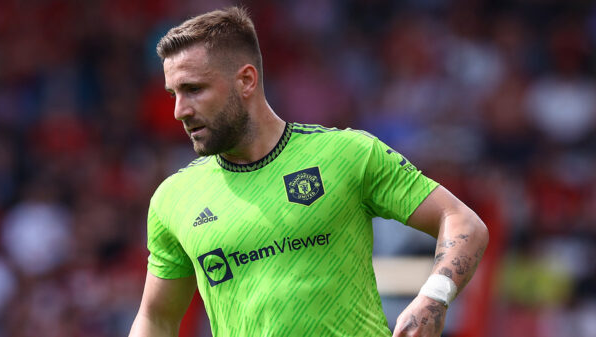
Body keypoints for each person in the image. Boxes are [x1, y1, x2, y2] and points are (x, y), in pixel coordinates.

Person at [129, 6, 489, 337]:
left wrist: (432, 297)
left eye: (193, 89)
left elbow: (461, 221)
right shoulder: (175, 198)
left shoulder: (346, 154)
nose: (179, 110)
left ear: (246, 81)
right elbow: (156, 316)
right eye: (174, 92)